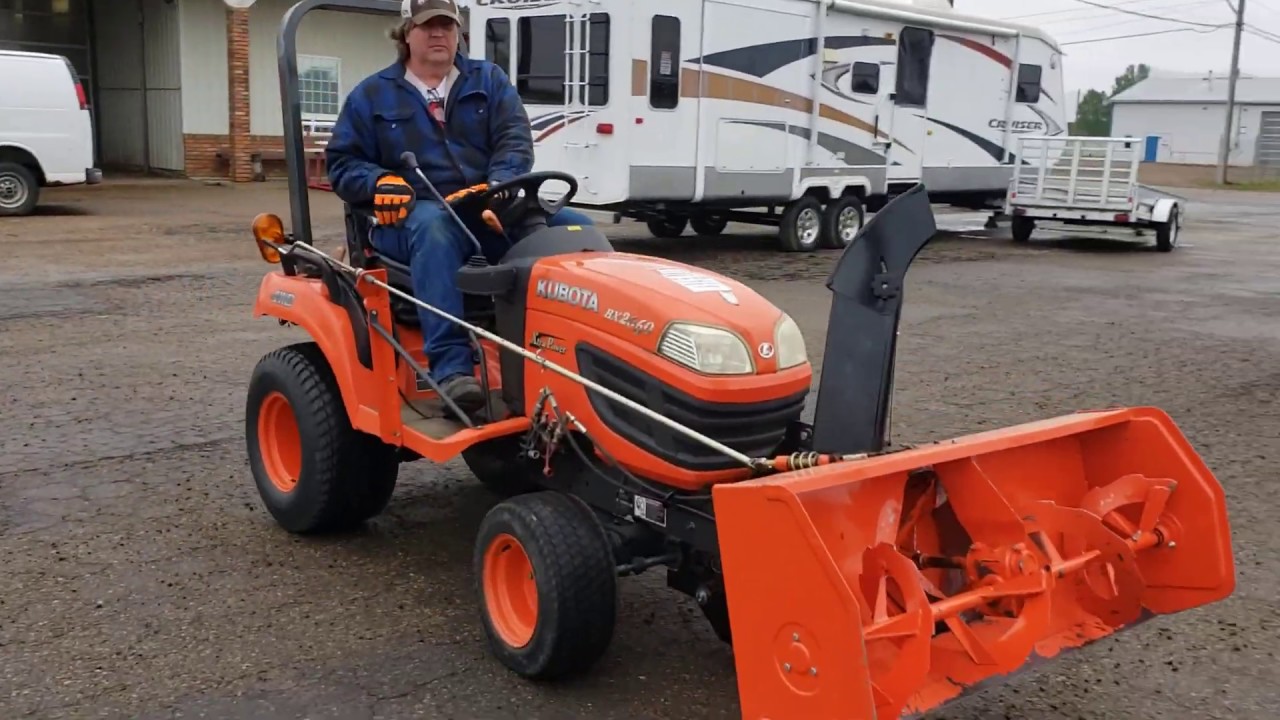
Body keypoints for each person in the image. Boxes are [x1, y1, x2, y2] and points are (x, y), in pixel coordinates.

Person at [324, 0, 595, 414]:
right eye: (428, 26)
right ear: (405, 33)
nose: (439, 34)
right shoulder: (372, 94)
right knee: (435, 228)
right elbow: (342, 164)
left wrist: (501, 188)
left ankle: (586, 358)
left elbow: (514, 140)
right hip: (410, 217)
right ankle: (452, 371)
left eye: (447, 26)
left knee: (574, 229)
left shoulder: (488, 80)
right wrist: (379, 181)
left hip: (486, 209)